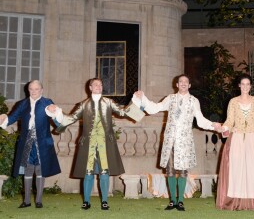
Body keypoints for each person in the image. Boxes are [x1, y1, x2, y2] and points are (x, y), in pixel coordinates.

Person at [47, 77, 143, 211]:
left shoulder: (109, 102)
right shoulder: (83, 104)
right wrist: (57, 113)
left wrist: (136, 101)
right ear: (90, 88)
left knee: (104, 172)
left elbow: (122, 112)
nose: (98, 86)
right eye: (95, 85)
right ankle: (86, 201)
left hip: (105, 144)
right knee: (88, 173)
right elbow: (71, 118)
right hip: (88, 144)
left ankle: (104, 201)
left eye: (100, 84)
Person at [132, 74, 221, 211]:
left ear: (189, 85)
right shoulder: (170, 98)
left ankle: (180, 201)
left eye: (186, 82)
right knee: (171, 171)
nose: (183, 83)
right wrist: (142, 97)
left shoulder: (193, 101)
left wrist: (214, 125)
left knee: (183, 171)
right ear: (177, 85)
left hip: (185, 141)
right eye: (181, 82)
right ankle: (172, 201)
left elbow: (201, 120)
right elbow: (155, 108)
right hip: (171, 140)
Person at [216, 73, 254, 211]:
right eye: (243, 84)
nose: (245, 87)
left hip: (253, 137)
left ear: (251, 86)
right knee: (236, 169)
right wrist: (222, 128)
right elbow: (230, 120)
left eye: (248, 84)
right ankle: (236, 201)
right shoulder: (233, 101)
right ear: (239, 86)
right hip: (236, 137)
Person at [0, 80, 61, 209]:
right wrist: (4, 118)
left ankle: (38, 200)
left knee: (40, 169)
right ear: (28, 90)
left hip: (42, 142)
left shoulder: (47, 102)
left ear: (41, 90)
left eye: (36, 89)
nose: (33, 91)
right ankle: (26, 201)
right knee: (27, 169)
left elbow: (57, 118)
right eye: (31, 89)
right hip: (26, 140)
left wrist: (56, 113)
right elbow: (12, 117)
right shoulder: (22, 104)